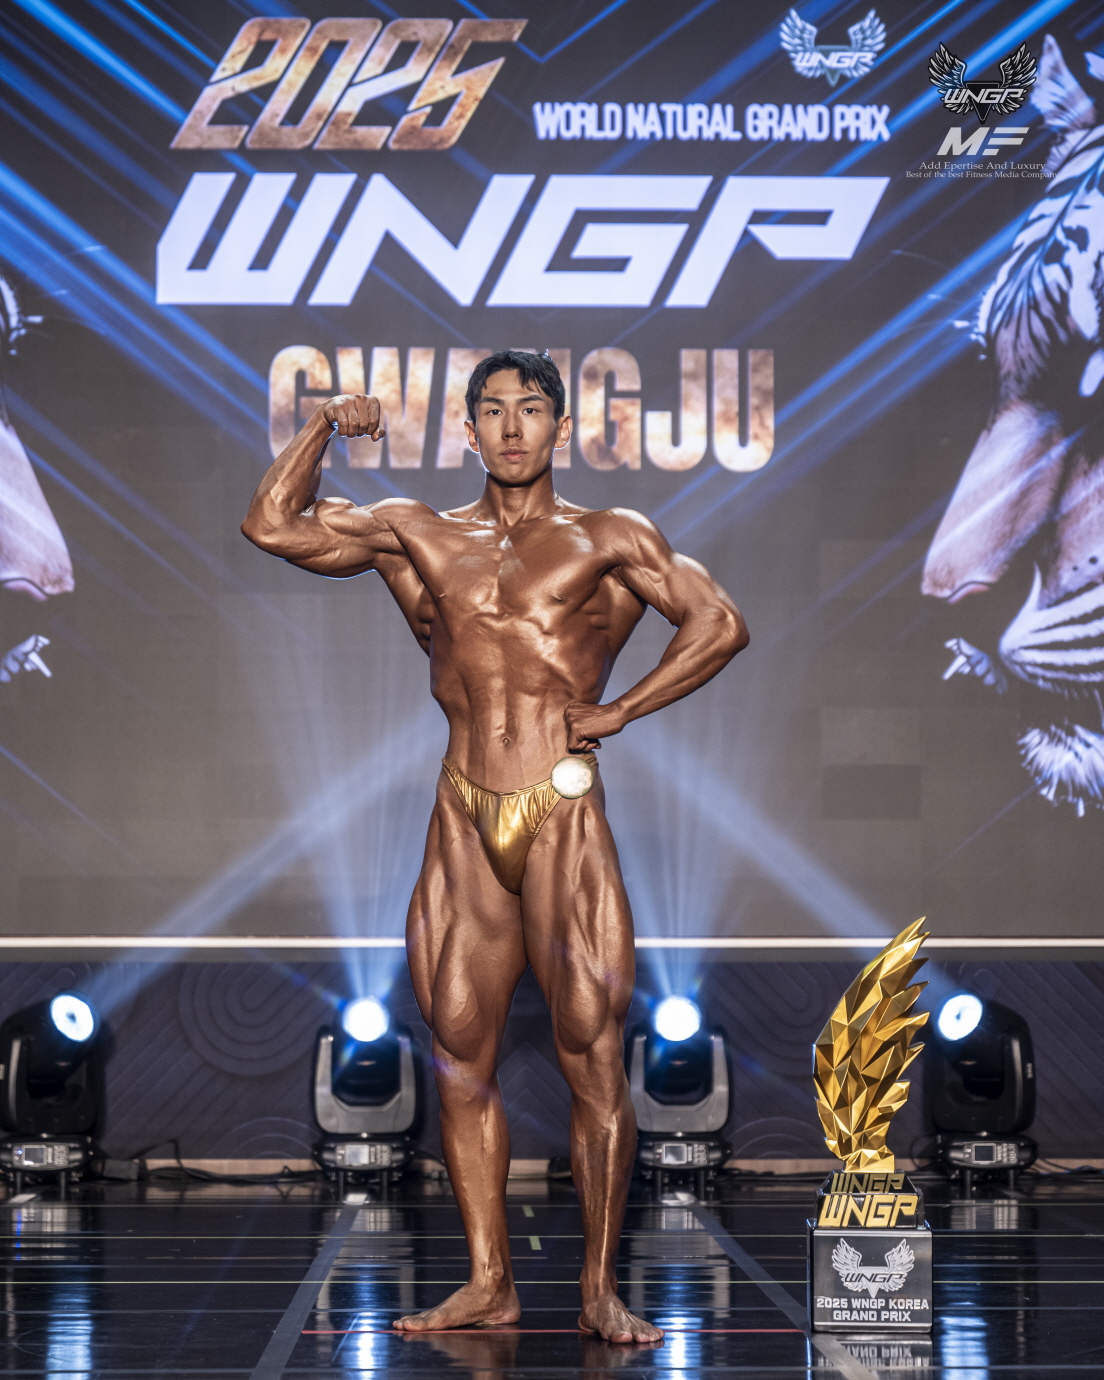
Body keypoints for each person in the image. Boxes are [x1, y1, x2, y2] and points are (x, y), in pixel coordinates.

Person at [242, 350, 748, 1343]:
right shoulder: (417, 533)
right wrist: (323, 425)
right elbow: (271, 524)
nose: (513, 427)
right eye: (493, 411)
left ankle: (598, 1289)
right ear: (467, 432)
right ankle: (488, 1283)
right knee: (459, 1056)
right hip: (463, 812)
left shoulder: (609, 537)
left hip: (561, 813)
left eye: (531, 409)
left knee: (591, 1052)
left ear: (562, 427)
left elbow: (719, 623)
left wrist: (622, 710)